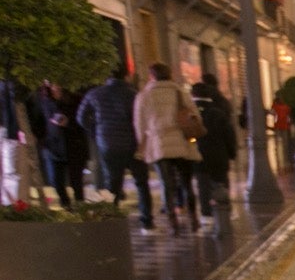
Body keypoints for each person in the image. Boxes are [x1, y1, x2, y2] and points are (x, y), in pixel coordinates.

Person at [78, 68, 155, 232]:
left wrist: (95, 131)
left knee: (112, 183)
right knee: (141, 182)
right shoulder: (133, 94)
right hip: (132, 144)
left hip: (108, 144)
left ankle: (111, 222)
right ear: (126, 76)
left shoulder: (95, 94)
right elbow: (142, 119)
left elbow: (81, 117)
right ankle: (146, 222)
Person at [134, 62, 202, 234]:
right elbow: (195, 115)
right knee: (186, 183)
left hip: (159, 144)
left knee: (166, 184)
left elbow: (139, 124)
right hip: (181, 142)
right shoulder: (180, 92)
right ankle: (194, 219)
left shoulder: (144, 95)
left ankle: (173, 224)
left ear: (152, 76)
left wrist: (142, 146)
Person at [190, 78, 238, 230]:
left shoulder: (190, 113)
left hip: (197, 155)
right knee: (221, 182)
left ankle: (206, 215)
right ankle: (225, 209)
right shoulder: (218, 113)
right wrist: (232, 153)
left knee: (203, 184)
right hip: (219, 155)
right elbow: (229, 135)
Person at [39, 82, 89, 208]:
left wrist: (69, 123)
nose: (55, 86)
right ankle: (66, 206)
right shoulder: (44, 100)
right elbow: (38, 121)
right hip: (53, 147)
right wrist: (42, 139)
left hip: (74, 146)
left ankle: (80, 209)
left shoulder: (76, 99)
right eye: (51, 83)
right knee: (56, 181)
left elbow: (84, 121)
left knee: (76, 182)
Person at [1, 75, 36, 207]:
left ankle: (9, 205)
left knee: (10, 169)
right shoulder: (12, 83)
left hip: (9, 132)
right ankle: (9, 204)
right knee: (10, 170)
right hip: (10, 131)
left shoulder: (12, 83)